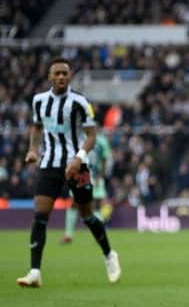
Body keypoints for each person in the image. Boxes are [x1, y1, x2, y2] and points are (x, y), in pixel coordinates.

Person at [17, 57, 121, 287]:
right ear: (50, 76)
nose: (61, 77)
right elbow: (36, 127)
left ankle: (109, 255)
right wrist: (33, 149)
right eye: (57, 73)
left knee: (87, 215)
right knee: (40, 215)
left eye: (65, 73)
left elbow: (92, 135)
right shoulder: (39, 101)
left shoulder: (80, 102)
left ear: (70, 75)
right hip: (50, 164)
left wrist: (78, 158)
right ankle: (35, 271)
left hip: (78, 165)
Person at [61, 132, 113, 244]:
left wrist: (100, 175)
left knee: (97, 205)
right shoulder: (78, 137)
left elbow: (105, 159)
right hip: (81, 176)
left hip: (95, 176)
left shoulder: (101, 140)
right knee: (74, 203)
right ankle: (68, 234)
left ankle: (98, 233)